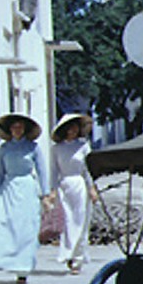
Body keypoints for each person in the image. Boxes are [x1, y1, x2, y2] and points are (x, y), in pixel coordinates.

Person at [0, 113, 52, 284]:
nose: (17, 130)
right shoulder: (4, 148)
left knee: (25, 229)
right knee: (1, 224)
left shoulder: (33, 148)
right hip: (8, 188)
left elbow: (42, 171)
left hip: (26, 188)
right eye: (14, 127)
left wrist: (45, 194)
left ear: (24, 129)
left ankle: (22, 270)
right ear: (10, 129)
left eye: (20, 127)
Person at [49, 113, 99, 274]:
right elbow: (54, 171)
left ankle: (77, 259)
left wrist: (91, 188)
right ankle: (68, 254)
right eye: (69, 127)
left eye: (75, 127)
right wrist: (53, 190)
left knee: (81, 220)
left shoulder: (83, 146)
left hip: (80, 185)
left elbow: (88, 169)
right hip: (64, 186)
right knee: (68, 222)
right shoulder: (57, 149)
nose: (72, 130)